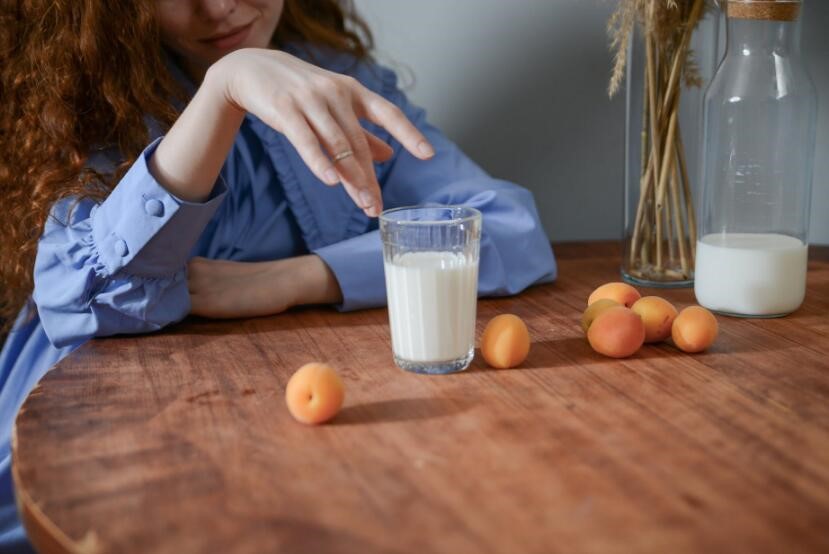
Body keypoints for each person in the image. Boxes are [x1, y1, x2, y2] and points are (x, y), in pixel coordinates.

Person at [0, 0, 556, 549]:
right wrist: (224, 90)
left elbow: (508, 228)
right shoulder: (100, 96)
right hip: (78, 463)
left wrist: (299, 279)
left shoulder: (334, 81)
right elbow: (89, 301)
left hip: (275, 448)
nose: (219, 8)